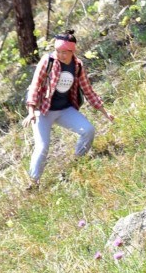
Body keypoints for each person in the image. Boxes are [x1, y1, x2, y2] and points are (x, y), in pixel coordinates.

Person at [24, 30, 114, 188]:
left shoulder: (77, 66)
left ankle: (78, 163)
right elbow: (34, 85)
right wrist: (31, 112)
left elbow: (88, 90)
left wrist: (105, 112)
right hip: (42, 111)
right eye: (58, 51)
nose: (60, 55)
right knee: (42, 146)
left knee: (88, 130)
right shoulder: (48, 61)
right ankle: (33, 183)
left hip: (65, 110)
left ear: (73, 51)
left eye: (64, 52)